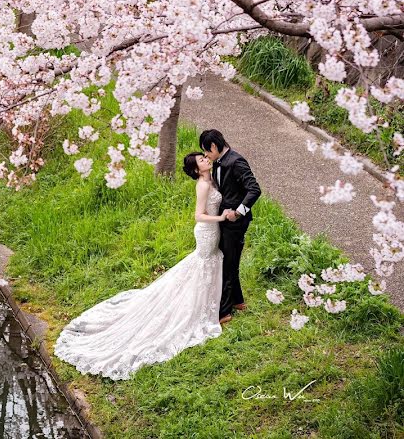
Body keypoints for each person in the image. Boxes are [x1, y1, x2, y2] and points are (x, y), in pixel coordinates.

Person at [53, 153, 226, 380]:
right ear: (196, 170)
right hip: (206, 232)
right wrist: (221, 218)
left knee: (206, 264)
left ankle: (213, 303)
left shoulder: (213, 178)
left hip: (213, 234)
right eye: (201, 160)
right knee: (203, 265)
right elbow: (198, 215)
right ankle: (202, 308)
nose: (205, 159)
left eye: (204, 157)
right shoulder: (203, 185)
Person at [199, 129, 261, 324]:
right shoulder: (219, 162)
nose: (206, 156)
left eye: (207, 151)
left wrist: (238, 212)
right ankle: (237, 300)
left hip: (235, 222)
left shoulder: (236, 161)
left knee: (227, 263)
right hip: (224, 220)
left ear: (215, 147)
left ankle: (223, 311)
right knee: (231, 260)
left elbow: (254, 189)